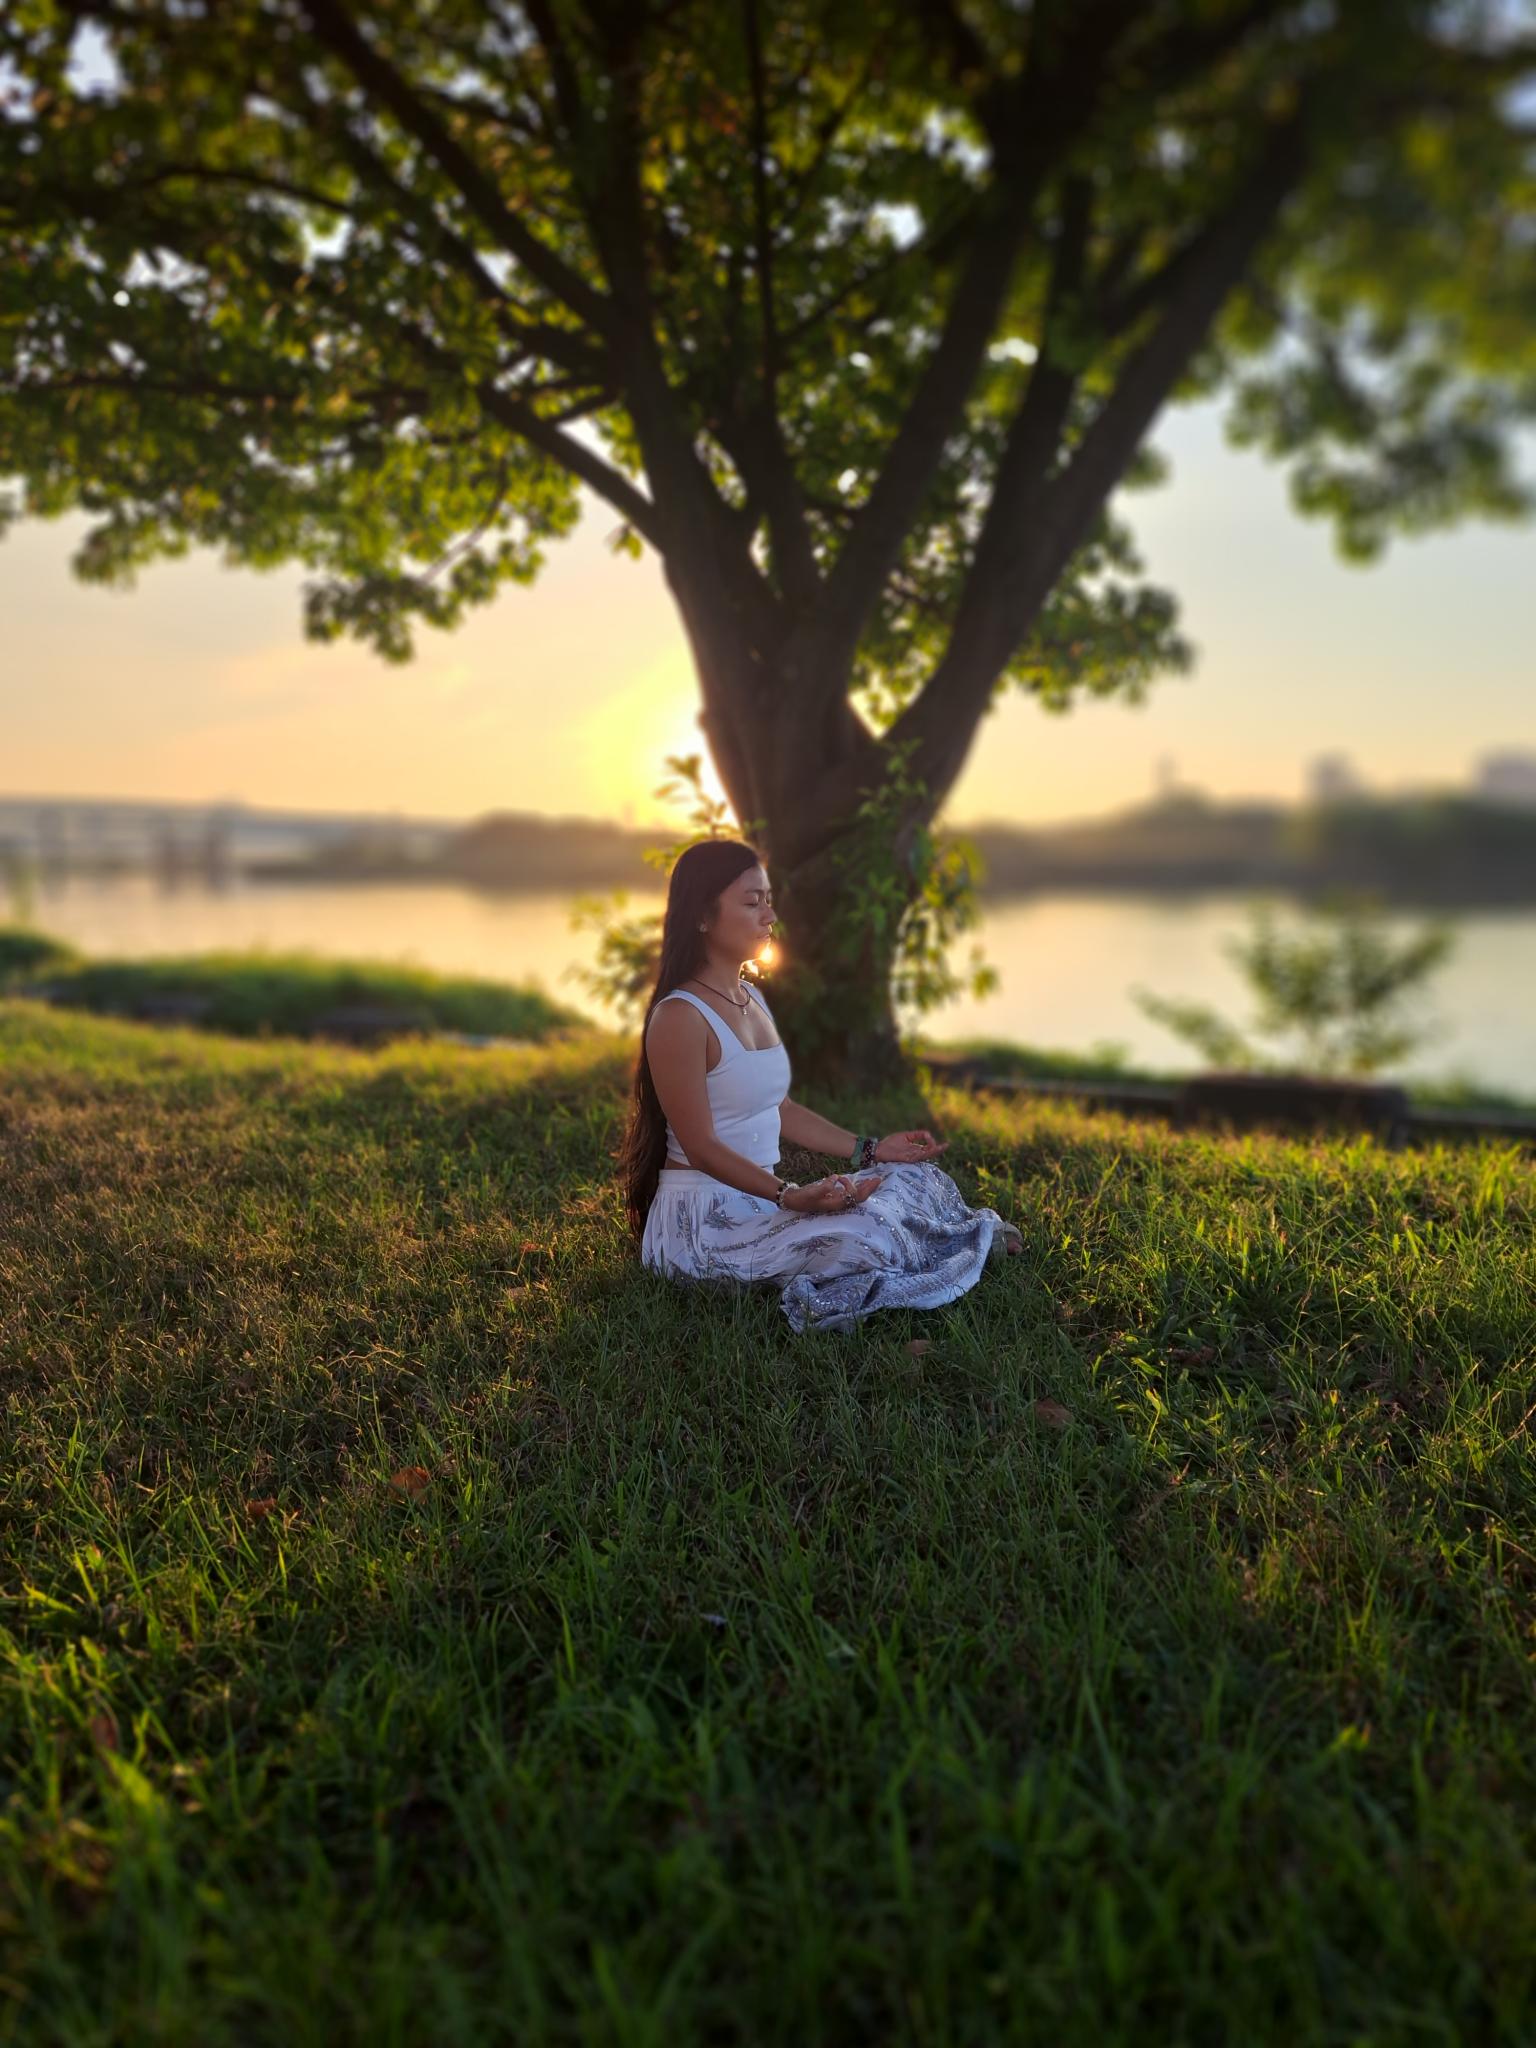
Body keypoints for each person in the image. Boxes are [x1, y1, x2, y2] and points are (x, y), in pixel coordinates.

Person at [619, 838, 1023, 1334]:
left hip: (761, 1201)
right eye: (752, 902)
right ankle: (947, 1245)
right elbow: (701, 1148)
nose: (769, 915)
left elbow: (781, 1109)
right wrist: (791, 1196)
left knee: (918, 1178)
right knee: (867, 1236)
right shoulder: (680, 1016)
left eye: (768, 900)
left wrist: (871, 1150)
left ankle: (948, 1237)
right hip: (701, 1225)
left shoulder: (752, 999)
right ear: (703, 916)